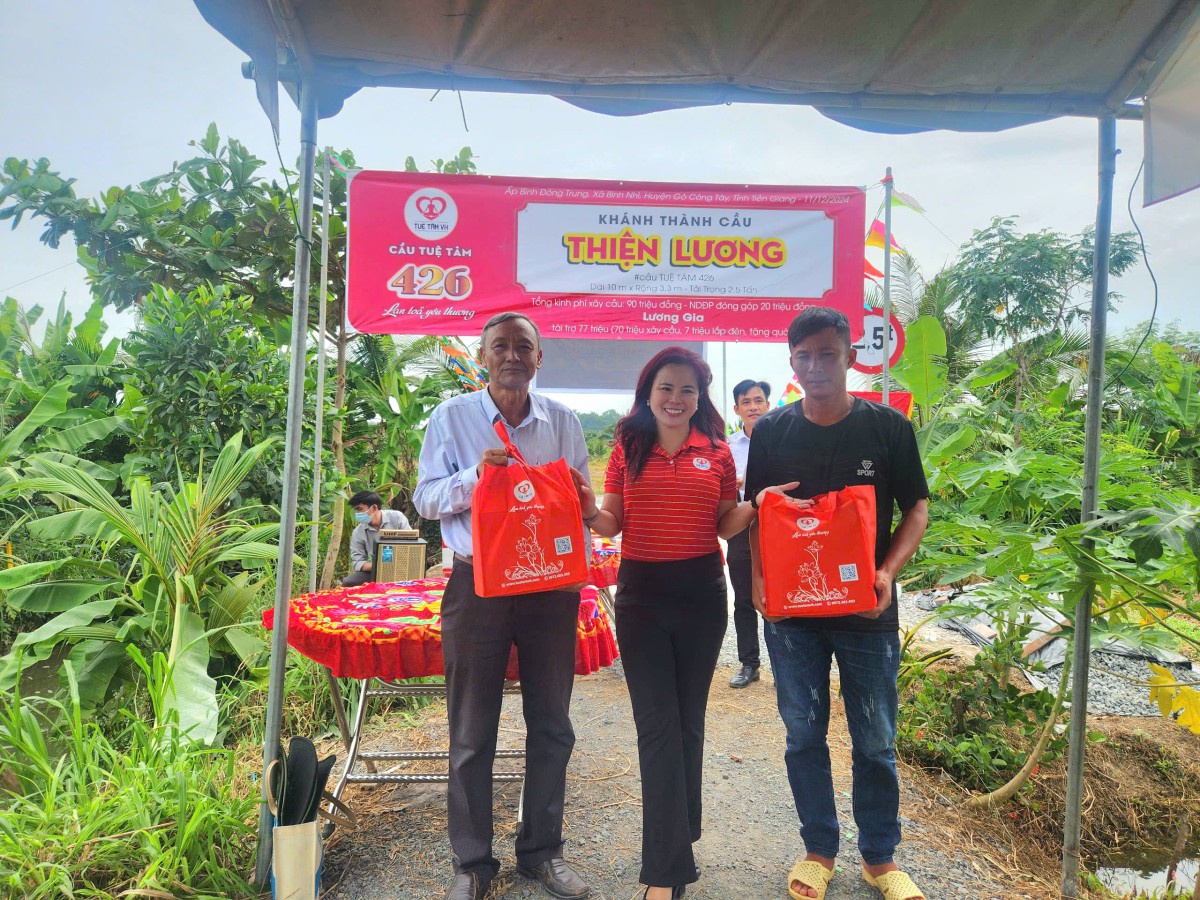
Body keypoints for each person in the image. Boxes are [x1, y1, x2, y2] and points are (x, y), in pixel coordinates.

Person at [581, 347, 794, 900]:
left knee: (688, 721)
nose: (676, 399)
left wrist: (759, 502)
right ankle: (666, 871)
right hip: (641, 596)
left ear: (700, 398)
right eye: (666, 388)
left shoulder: (718, 452)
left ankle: (681, 827)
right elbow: (611, 522)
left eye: (687, 390)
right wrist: (586, 510)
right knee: (656, 725)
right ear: (648, 393)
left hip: (701, 593)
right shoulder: (627, 448)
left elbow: (725, 525)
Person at [744, 307, 929, 900]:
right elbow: (758, 514)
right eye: (804, 355)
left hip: (866, 614)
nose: (816, 365)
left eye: (828, 353)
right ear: (791, 361)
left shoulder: (888, 428)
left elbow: (917, 507)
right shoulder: (770, 432)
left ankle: (880, 858)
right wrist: (759, 584)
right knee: (803, 734)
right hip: (792, 618)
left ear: (850, 357)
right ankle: (819, 849)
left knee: (875, 740)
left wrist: (886, 572)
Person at [413, 312, 593, 900]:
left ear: (539, 357)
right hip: (477, 586)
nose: (512, 355)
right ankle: (472, 864)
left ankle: (542, 852)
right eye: (500, 346)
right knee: (471, 731)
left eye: (523, 346)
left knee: (553, 725)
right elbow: (425, 500)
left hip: (549, 590)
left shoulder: (563, 422)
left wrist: (579, 572)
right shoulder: (452, 417)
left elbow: (578, 504)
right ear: (483, 357)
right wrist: (475, 477)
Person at [725, 378, 771, 688]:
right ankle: (749, 664)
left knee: (778, 594)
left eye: (758, 400)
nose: (753, 407)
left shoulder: (783, 439)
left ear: (768, 404)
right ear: (737, 409)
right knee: (743, 598)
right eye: (746, 402)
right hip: (741, 526)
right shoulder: (727, 447)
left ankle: (783, 663)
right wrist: (732, 484)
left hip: (777, 528)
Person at [341, 490, 412, 587]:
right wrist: (381, 565)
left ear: (374, 508)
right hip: (375, 570)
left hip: (402, 567)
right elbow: (358, 562)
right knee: (348, 582)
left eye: (359, 509)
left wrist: (397, 563)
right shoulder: (358, 532)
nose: (357, 513)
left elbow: (411, 542)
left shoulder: (397, 518)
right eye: (355, 510)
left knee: (416, 580)